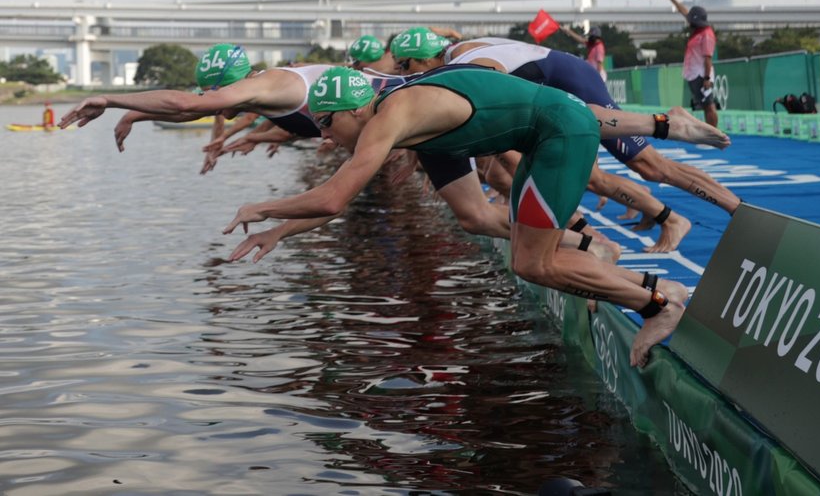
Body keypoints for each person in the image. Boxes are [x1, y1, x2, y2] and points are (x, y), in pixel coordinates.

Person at [224, 65, 730, 367]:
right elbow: (339, 199)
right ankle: (650, 288)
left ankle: (659, 303)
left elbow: (333, 198)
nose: (328, 139)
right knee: (528, 255)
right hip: (548, 133)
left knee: (535, 263)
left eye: (328, 126)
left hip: (559, 136)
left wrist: (261, 207)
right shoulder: (396, 108)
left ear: (355, 110)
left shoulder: (390, 116)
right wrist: (280, 231)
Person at [60, 43, 615, 260]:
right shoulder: (272, 100)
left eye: (216, 95)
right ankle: (583, 238)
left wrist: (110, 97)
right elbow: (190, 108)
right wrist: (134, 110)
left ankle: (597, 227)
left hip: (414, 118)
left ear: (233, 82)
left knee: (518, 168)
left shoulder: (270, 86)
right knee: (473, 216)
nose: (213, 107)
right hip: (404, 129)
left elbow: (187, 104)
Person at [391, 30, 742, 224]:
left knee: (649, 166)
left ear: (424, 59)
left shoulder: (467, 61)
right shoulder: (454, 52)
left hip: (573, 85)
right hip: (560, 91)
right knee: (596, 175)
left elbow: (493, 96)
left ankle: (734, 208)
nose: (403, 75)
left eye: (404, 66)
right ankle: (661, 213)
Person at [662, 0, 719, 127]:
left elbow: (707, 59)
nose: (688, 22)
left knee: (709, 105)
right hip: (693, 73)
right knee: (704, 105)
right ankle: (710, 133)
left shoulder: (706, 34)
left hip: (701, 74)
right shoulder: (698, 30)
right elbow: (684, 12)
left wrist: (706, 79)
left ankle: (714, 134)